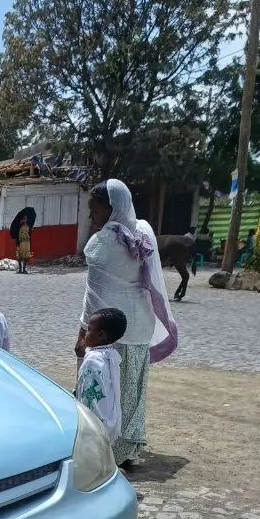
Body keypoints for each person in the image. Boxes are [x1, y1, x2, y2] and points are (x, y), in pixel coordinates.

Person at [74, 179, 177, 468]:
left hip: (110, 331)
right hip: (139, 326)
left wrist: (82, 335)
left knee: (106, 391)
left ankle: (106, 450)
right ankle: (129, 449)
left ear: (111, 208)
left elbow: (93, 298)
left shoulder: (100, 245)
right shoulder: (142, 233)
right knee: (132, 391)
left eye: (95, 210)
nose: (91, 217)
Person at [75, 307, 125, 443]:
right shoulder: (111, 355)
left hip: (93, 427)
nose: (86, 334)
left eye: (89, 329)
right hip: (109, 421)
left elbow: (89, 399)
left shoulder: (93, 362)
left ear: (101, 335)